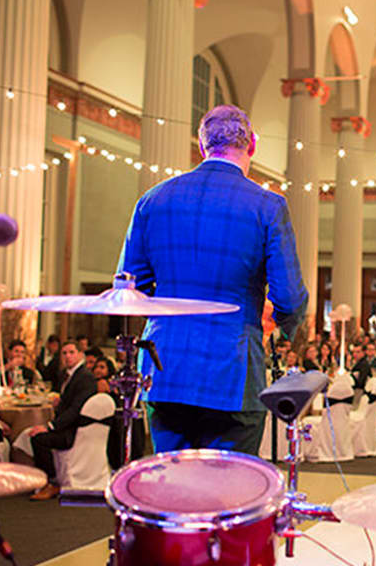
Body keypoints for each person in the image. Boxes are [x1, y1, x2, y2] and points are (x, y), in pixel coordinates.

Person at [117, 105, 308, 455]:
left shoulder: (152, 200)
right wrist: (283, 327)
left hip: (165, 369)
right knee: (229, 497)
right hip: (232, 371)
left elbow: (130, 288)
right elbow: (290, 297)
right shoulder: (268, 206)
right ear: (251, 145)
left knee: (173, 489)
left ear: (202, 146)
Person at [29, 341, 97, 500]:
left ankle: (50, 483)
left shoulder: (85, 377)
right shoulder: (65, 375)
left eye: (72, 352)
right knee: (32, 432)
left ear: (81, 354)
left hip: (76, 430)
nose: (68, 356)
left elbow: (76, 410)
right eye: (64, 353)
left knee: (39, 439)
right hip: (67, 425)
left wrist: (50, 426)